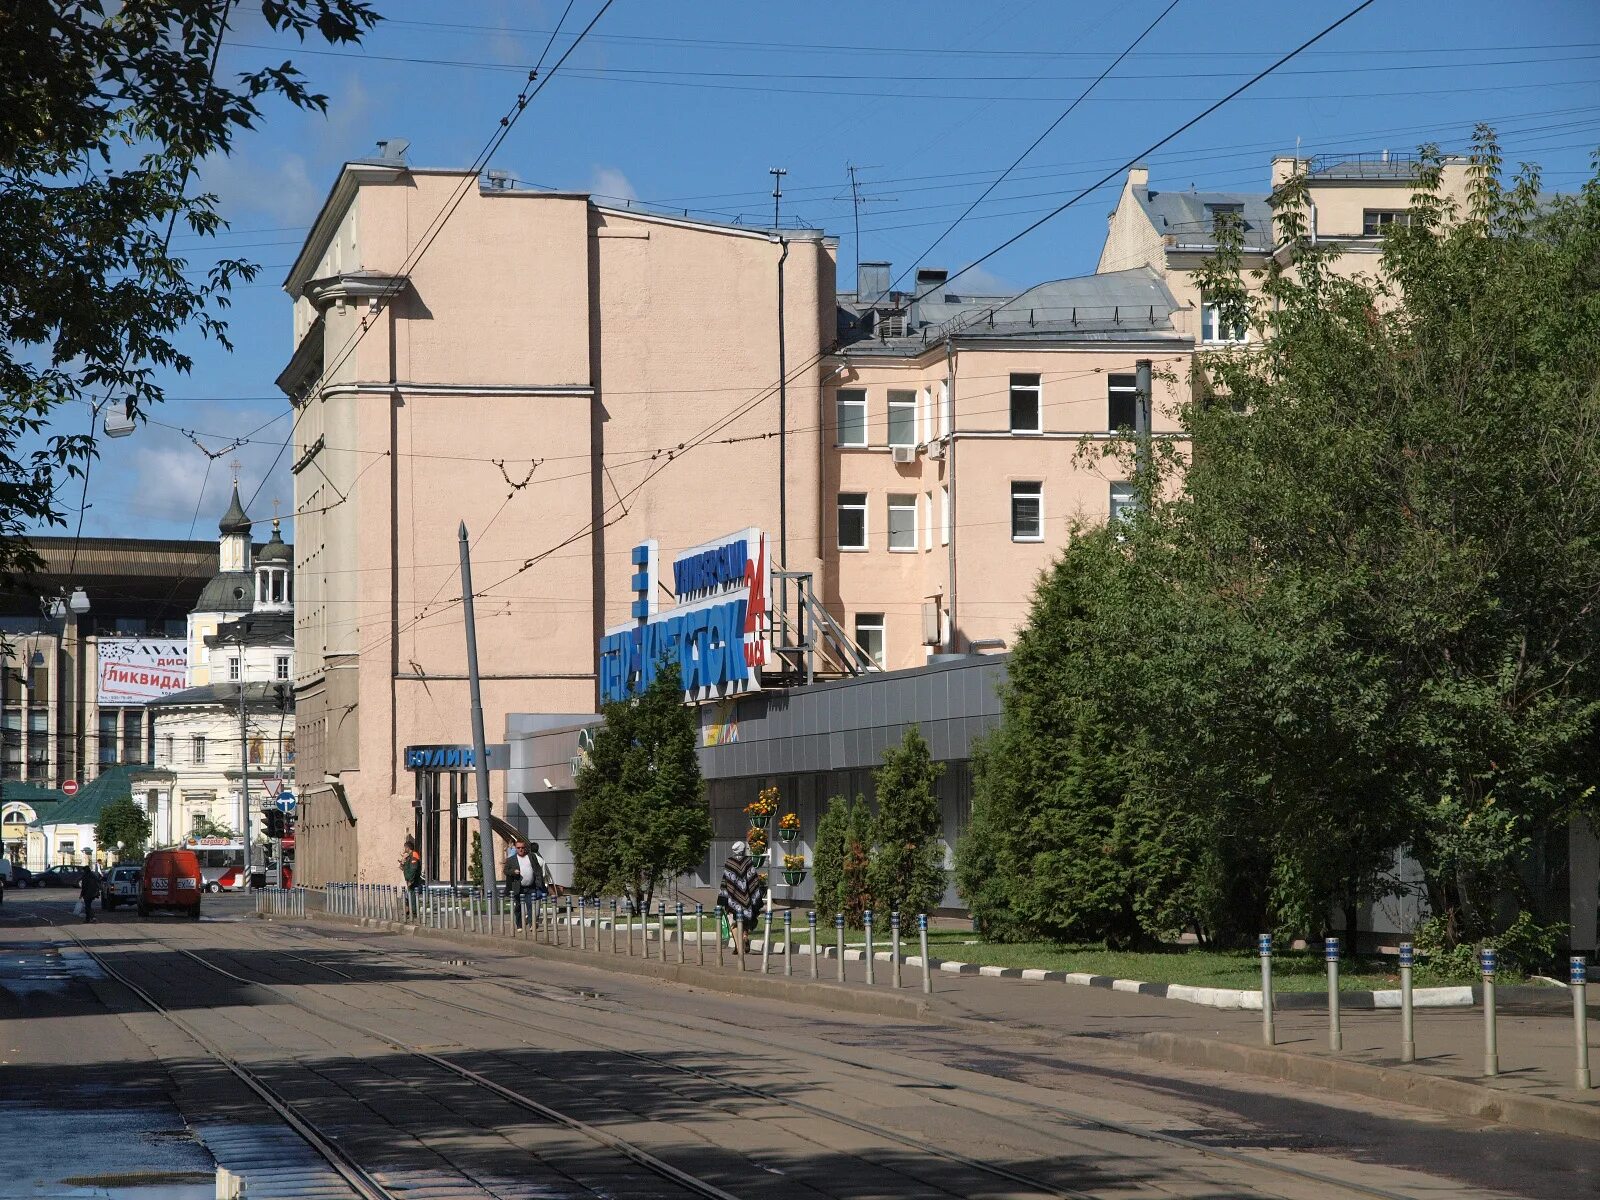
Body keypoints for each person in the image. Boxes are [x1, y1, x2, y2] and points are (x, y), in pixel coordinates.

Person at [717, 841, 765, 961]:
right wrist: (754, 895)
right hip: (747, 898)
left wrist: (724, 897)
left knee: (733, 921)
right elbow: (753, 879)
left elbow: (725, 880)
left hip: (732, 898)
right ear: (744, 850)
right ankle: (744, 936)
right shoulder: (748, 861)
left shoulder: (729, 862)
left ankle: (739, 948)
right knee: (745, 919)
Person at [504, 838, 550, 931]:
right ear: (516, 848)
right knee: (518, 907)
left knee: (530, 906)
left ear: (525, 848)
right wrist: (513, 871)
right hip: (518, 887)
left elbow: (537, 870)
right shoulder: (511, 860)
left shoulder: (531, 856)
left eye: (522, 847)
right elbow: (505, 870)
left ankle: (532, 924)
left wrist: (539, 882)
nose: (520, 849)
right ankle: (519, 925)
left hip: (530, 887)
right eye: (518, 848)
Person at [400, 835, 423, 917]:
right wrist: (402, 862)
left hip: (413, 880)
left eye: (405, 848)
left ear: (408, 848)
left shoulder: (414, 855)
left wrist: (411, 880)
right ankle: (409, 911)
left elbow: (413, 869)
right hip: (409, 879)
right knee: (408, 895)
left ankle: (414, 912)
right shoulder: (409, 856)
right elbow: (405, 868)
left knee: (412, 895)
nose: (404, 849)